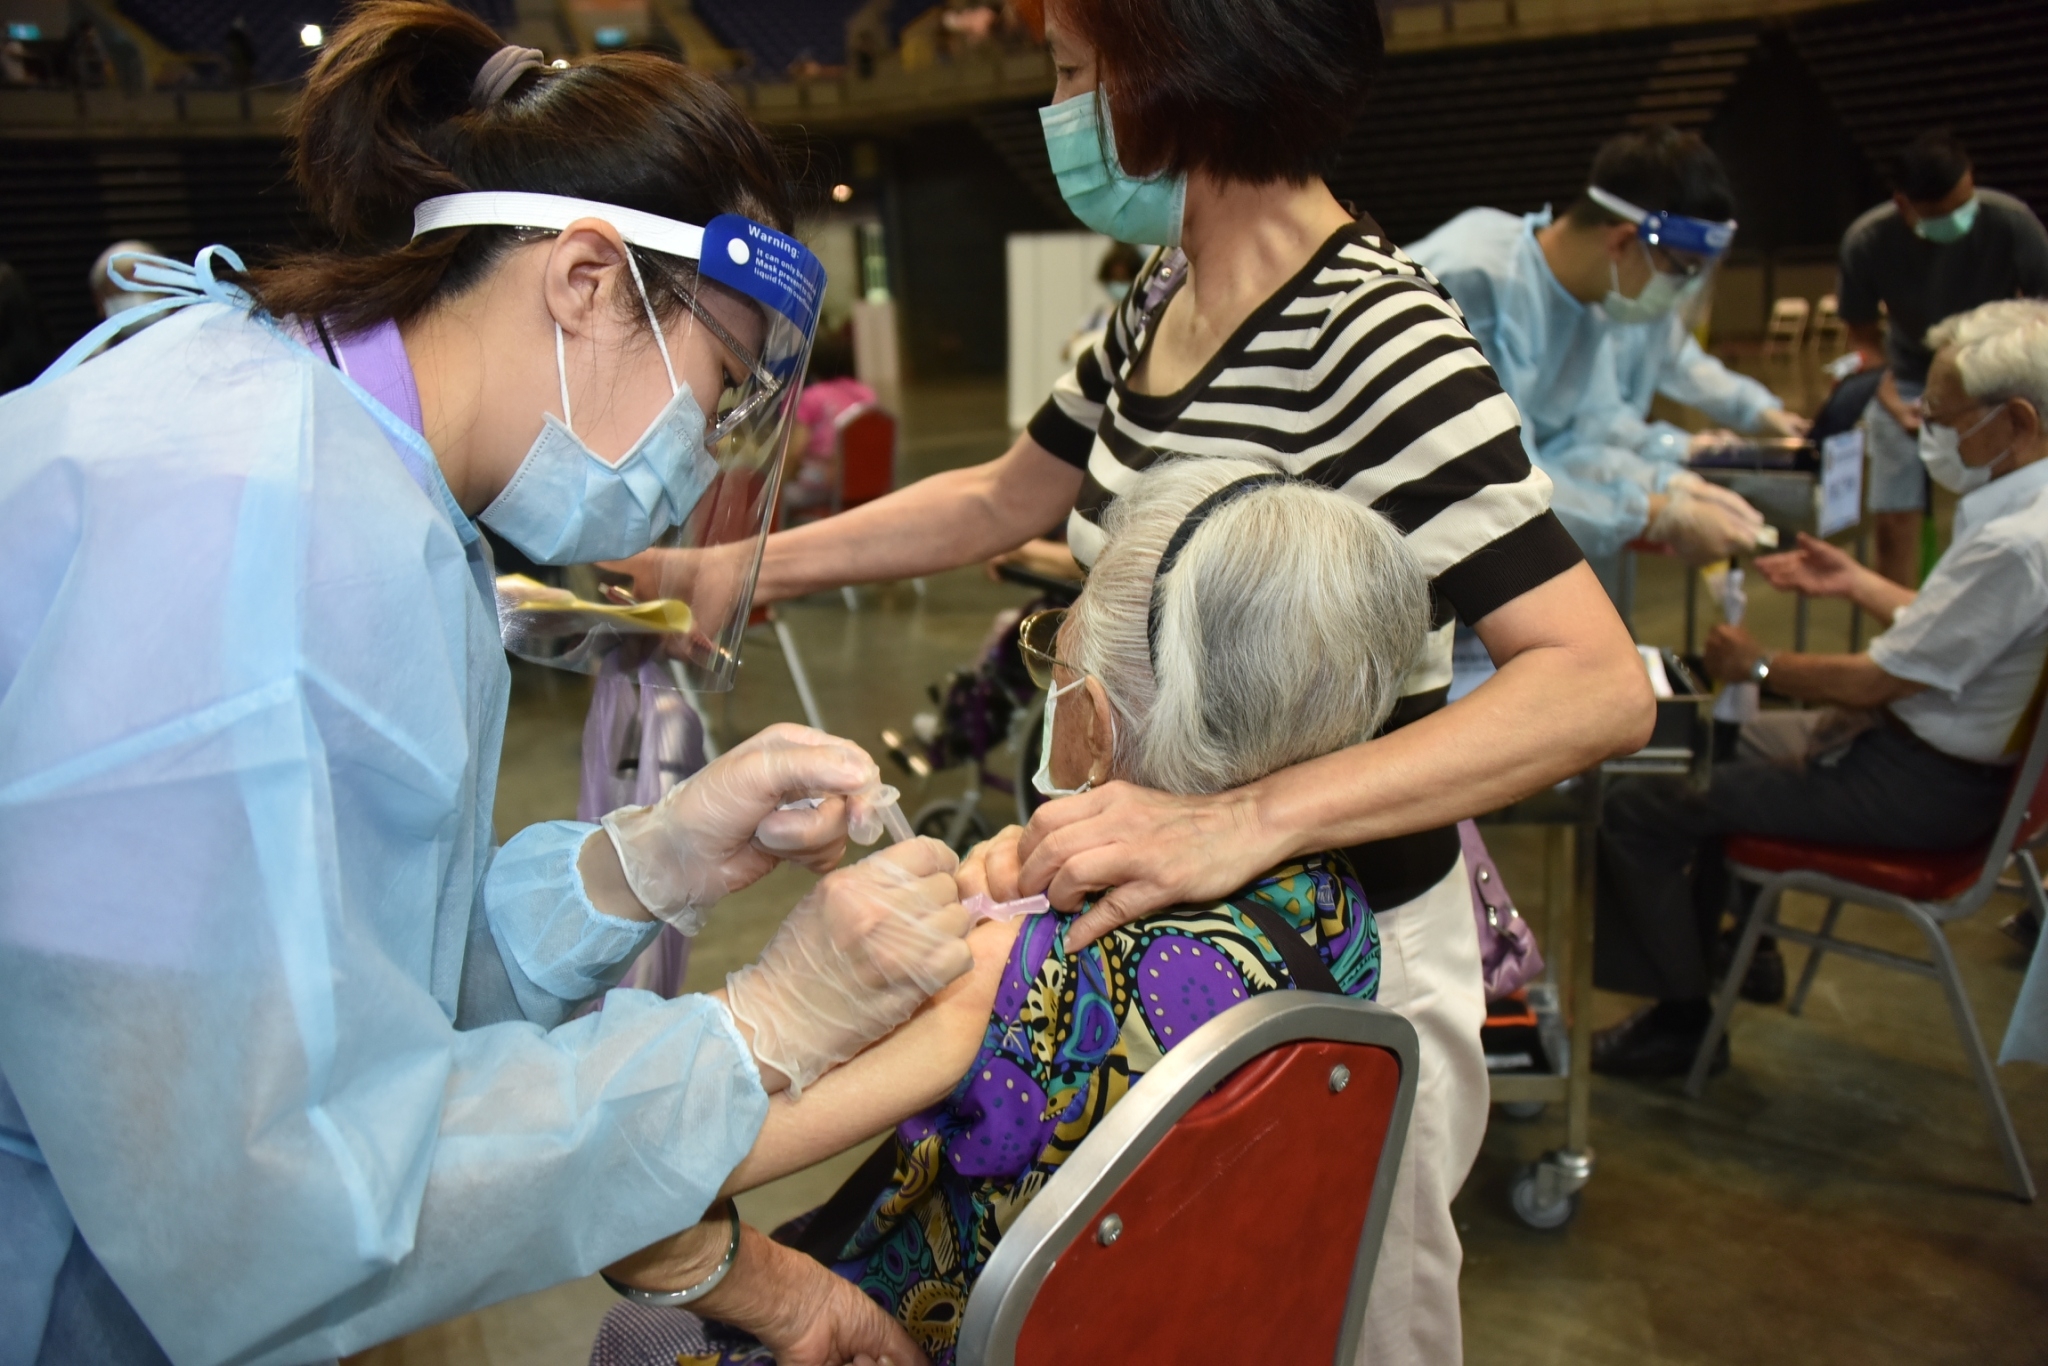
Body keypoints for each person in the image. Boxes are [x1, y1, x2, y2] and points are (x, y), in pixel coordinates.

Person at [626, 1, 1657, 1359]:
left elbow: (1593, 684)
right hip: (1153, 913)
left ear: (1183, 81)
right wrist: (734, 573)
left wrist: (1245, 818)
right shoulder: (1161, 304)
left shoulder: (1376, 332)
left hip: (1321, 955)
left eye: (1070, 76)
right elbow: (1001, 498)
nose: (1058, 114)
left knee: (1350, 1310)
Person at [0, 7, 973, 1364]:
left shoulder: (351, 474)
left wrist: (641, 863)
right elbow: (279, 1186)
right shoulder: (251, 531)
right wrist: (753, 1032)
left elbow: (342, 970)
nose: (707, 448)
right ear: (582, 281)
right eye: (719, 384)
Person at [593, 456, 1429, 1366]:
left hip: (928, 1339)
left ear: (1096, 723)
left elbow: (629, 1185)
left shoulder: (1006, 975)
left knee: (637, 1332)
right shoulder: (1335, 911)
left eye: (1055, 664)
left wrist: (784, 1003)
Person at [1592, 299, 2048, 1076]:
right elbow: (1960, 635)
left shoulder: (2016, 542)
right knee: (1709, 747)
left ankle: (1681, 1019)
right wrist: (1857, 582)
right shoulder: (2024, 513)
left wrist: (1756, 664)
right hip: (1931, 757)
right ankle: (1748, 946)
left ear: (2015, 421)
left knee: (1639, 802)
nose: (1923, 424)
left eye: (1942, 413)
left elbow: (1878, 679)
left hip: (1917, 781)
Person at [1407, 125, 1772, 596]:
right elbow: (1502, 478)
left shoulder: (1591, 302)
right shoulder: (1479, 281)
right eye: (1680, 272)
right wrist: (1651, 513)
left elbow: (1586, 430)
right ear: (1620, 242)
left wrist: (1666, 479)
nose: (1680, 293)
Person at [1839, 129, 2048, 587]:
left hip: (1993, 380)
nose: (1957, 220)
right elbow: (1862, 333)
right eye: (1940, 215)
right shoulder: (1867, 242)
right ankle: (1901, 628)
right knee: (1894, 521)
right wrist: (1886, 389)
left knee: (1999, 506)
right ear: (1904, 204)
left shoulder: (2013, 225)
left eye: (1963, 205)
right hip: (1909, 379)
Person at [782, 325, 876, 518]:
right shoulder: (866, 395)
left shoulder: (812, 397)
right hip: (866, 480)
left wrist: (780, 480)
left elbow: (797, 449)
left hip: (825, 483)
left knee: (777, 498)